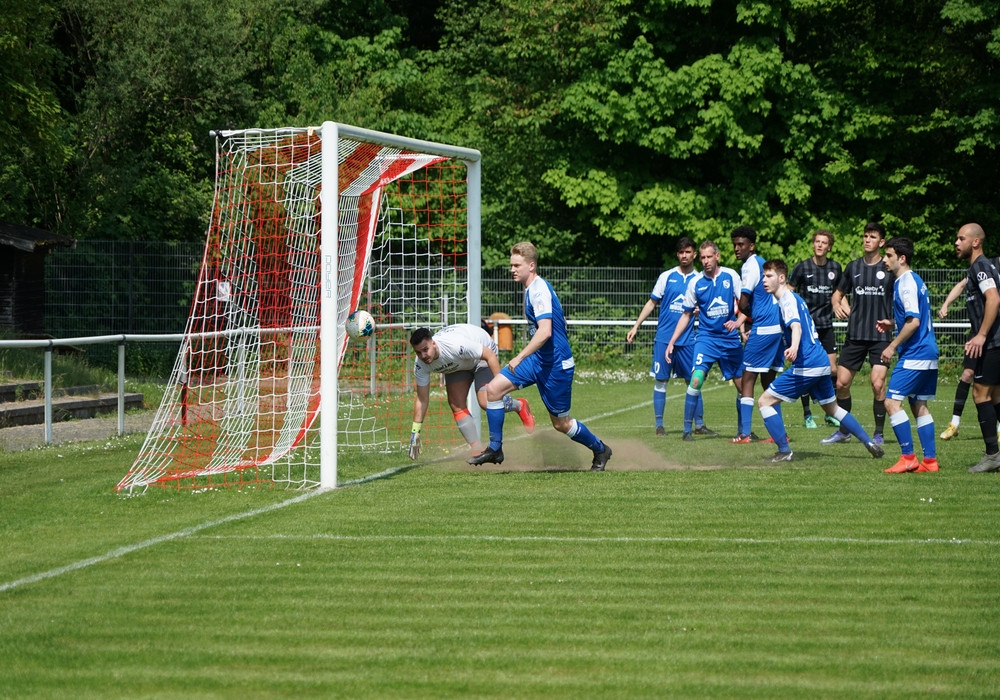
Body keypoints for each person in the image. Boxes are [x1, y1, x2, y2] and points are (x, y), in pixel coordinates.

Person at [469, 242, 613, 471]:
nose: (512, 269)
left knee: (561, 424)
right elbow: (557, 322)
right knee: (493, 390)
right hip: (537, 360)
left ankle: (600, 449)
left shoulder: (538, 290)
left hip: (556, 365)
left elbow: (545, 331)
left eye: (517, 265)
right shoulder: (532, 288)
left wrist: (519, 356)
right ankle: (495, 449)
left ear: (531, 265)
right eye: (511, 265)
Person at [756, 259, 885, 462]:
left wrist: (794, 347)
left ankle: (784, 450)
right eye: (763, 276)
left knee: (764, 402)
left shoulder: (787, 299)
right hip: (821, 361)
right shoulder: (796, 298)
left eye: (769, 276)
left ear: (781, 278)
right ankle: (869, 442)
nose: (764, 280)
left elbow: (796, 326)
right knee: (832, 409)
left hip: (808, 363)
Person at [626, 237, 717, 437]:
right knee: (661, 380)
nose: (684, 255)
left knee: (694, 380)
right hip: (664, 338)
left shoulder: (700, 280)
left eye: (688, 252)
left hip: (688, 340)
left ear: (694, 254)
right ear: (677, 254)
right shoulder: (666, 277)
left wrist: (699, 312)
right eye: (681, 252)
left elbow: (709, 309)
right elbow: (652, 303)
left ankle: (699, 425)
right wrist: (636, 326)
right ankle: (659, 426)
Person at [408, 324, 535, 459]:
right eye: (418, 352)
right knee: (456, 404)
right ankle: (477, 450)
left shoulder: (455, 345)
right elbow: (422, 399)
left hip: (482, 356)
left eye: (425, 350)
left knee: (485, 402)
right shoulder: (420, 364)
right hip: (459, 364)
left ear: (433, 343)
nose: (423, 356)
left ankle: (519, 405)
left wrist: (500, 388)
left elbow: (489, 355)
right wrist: (415, 432)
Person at [821, 222, 893, 446]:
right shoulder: (853, 267)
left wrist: (893, 321)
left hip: (880, 336)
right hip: (855, 335)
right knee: (841, 384)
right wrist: (836, 304)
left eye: (872, 237)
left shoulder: (889, 268)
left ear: (881, 242)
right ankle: (844, 431)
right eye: (865, 236)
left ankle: (878, 434)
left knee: (877, 384)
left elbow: (901, 299)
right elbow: (837, 294)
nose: (867, 240)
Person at [666, 240, 745, 441]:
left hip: (729, 339)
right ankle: (687, 431)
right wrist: (672, 341)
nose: (706, 261)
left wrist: (739, 323)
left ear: (717, 256)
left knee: (743, 387)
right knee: (695, 380)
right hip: (706, 339)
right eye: (702, 257)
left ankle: (744, 431)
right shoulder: (695, 282)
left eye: (709, 256)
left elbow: (746, 304)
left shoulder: (731, 276)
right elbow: (686, 314)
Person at [875, 237, 940, 473]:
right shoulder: (915, 280)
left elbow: (914, 322)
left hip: (916, 353)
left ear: (902, 258)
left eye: (889, 255)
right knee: (918, 404)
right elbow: (913, 318)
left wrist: (891, 346)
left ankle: (908, 457)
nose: (884, 260)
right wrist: (893, 323)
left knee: (891, 402)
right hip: (928, 351)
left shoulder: (905, 283)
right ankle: (930, 461)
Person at [731, 226, 785, 443]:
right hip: (777, 328)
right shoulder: (762, 263)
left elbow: (744, 303)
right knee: (768, 382)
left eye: (741, 244)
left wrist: (745, 318)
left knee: (747, 379)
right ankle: (779, 434)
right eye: (735, 244)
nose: (737, 248)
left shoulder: (750, 266)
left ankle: (745, 434)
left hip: (764, 329)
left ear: (751, 246)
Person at [955, 223, 1000, 473]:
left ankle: (992, 455)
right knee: (996, 396)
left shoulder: (980, 267)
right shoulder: (982, 267)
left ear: (975, 242)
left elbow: (994, 298)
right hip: (995, 341)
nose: (956, 243)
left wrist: (981, 335)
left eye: (961, 238)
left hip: (993, 342)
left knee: (980, 395)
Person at [788, 229, 843, 429]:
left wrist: (842, 307)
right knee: (805, 369)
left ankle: (830, 413)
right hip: (806, 328)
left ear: (829, 247)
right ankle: (807, 415)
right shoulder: (802, 267)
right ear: (813, 244)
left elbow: (839, 293)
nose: (819, 245)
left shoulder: (835, 268)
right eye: (817, 241)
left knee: (832, 369)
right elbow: (789, 292)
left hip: (826, 325)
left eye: (824, 242)